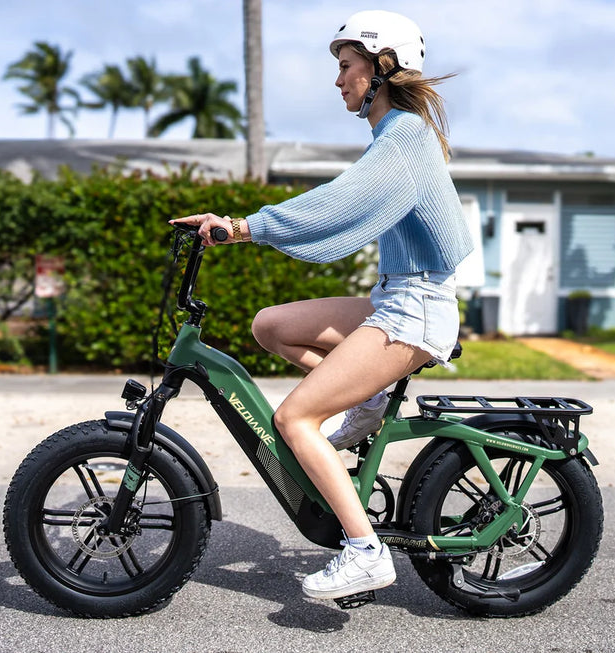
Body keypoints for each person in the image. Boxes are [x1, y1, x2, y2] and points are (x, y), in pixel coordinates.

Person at [171, 10, 473, 601]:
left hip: (416, 309)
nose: (338, 80)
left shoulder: (405, 135)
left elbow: (342, 203)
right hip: (393, 299)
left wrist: (243, 227)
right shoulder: (391, 135)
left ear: (383, 67)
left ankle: (365, 553)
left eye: (345, 67)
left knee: (294, 419)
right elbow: (351, 207)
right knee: (272, 326)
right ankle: (367, 395)